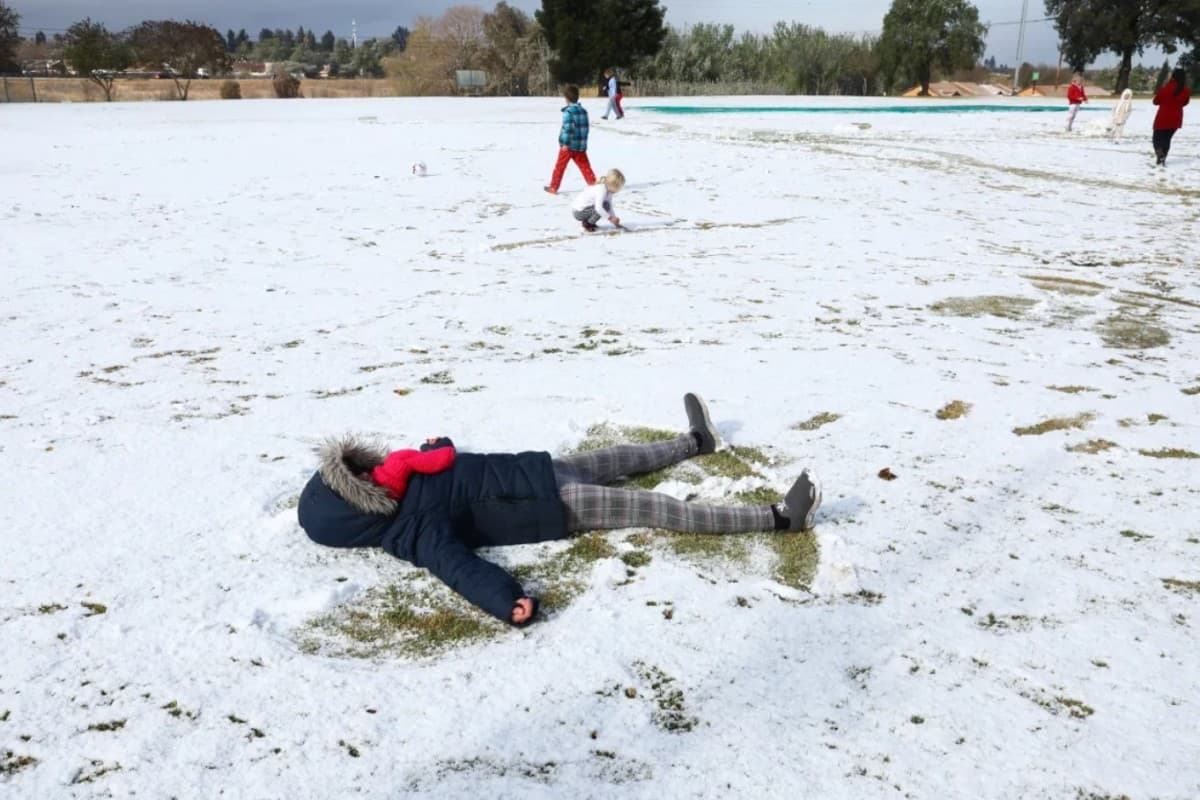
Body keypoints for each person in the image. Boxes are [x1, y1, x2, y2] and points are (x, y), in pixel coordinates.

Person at [297, 394, 823, 627]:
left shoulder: (402, 476)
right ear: (357, 510)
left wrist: (440, 445)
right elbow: (458, 568)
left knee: (622, 456)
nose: (369, 473)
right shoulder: (411, 532)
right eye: (359, 481)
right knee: (656, 507)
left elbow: (448, 463)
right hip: (554, 505)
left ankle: (696, 441)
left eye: (359, 469)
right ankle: (779, 517)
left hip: (540, 470)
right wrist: (506, 601)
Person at [544, 84, 596, 195]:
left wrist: (565, 143)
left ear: (566, 99)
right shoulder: (583, 111)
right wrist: (583, 142)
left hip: (568, 146)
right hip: (580, 146)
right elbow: (585, 128)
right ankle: (593, 184)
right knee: (585, 166)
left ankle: (553, 187)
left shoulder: (568, 112)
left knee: (560, 166)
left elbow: (568, 129)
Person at [1153, 67, 1191, 167]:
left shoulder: (1165, 88)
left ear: (1173, 77)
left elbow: (1155, 101)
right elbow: (1185, 102)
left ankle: (1159, 154)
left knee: (1157, 139)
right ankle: (1162, 158)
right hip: (1176, 118)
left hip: (1163, 117)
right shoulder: (1185, 91)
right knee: (1167, 139)